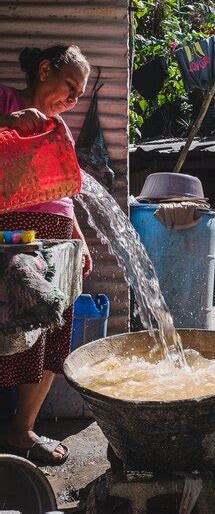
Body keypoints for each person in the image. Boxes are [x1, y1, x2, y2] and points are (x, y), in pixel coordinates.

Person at [0, 45, 92, 464]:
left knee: (53, 330)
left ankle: (23, 430)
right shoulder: (5, 100)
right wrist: (9, 122)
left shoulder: (60, 128)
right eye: (69, 86)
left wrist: (80, 240)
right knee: (13, 323)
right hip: (16, 233)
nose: (72, 100)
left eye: (78, 95)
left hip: (58, 236)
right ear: (43, 70)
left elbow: (66, 194)